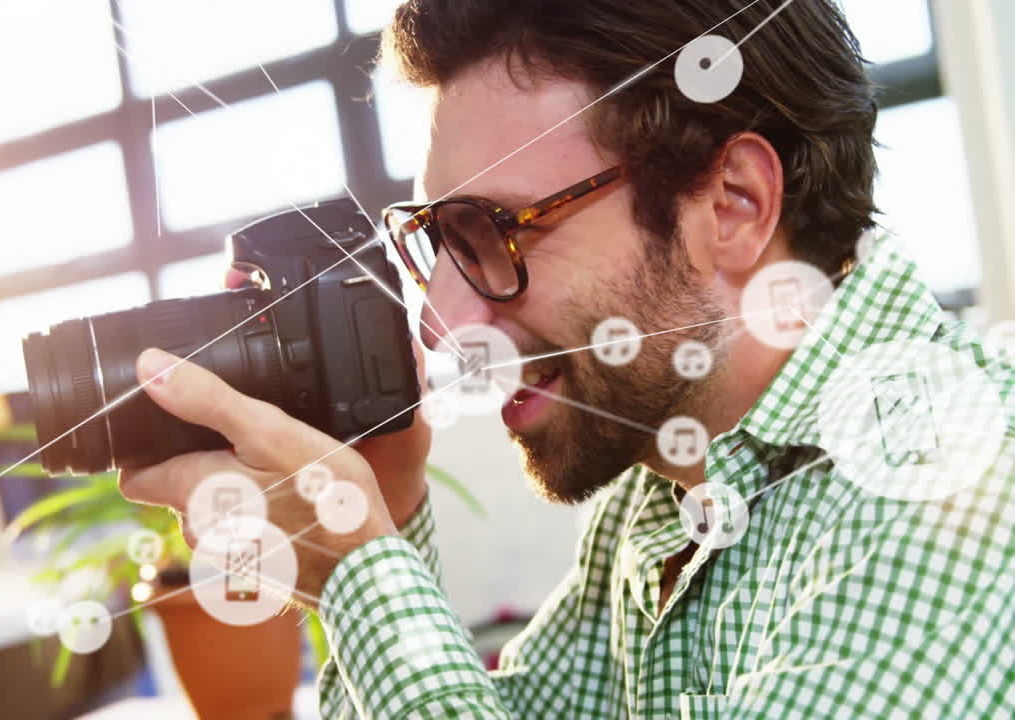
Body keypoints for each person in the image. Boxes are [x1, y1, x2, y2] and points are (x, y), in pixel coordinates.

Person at [118, 1, 1015, 717]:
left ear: (733, 206)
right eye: (438, 241)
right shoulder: (661, 486)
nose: (440, 323)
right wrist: (387, 509)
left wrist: (360, 574)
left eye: (493, 233)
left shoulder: (962, 487)